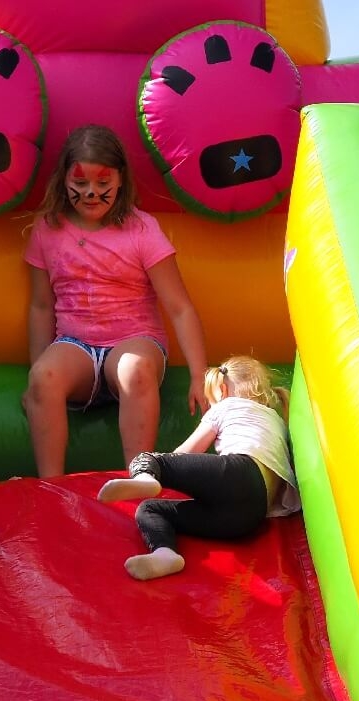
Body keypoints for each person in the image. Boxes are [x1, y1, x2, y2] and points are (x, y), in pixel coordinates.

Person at [23, 124, 209, 478]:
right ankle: (51, 485)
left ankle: (139, 478)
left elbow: (179, 307)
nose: (91, 192)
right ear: (64, 179)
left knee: (134, 370)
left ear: (121, 179)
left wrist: (199, 374)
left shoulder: (141, 229)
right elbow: (41, 306)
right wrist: (36, 374)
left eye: (103, 182)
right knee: (44, 378)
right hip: (74, 344)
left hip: (134, 340)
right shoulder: (48, 229)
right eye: (80, 183)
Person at [97, 355, 300, 581]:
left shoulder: (226, 406)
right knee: (151, 509)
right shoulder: (278, 420)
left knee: (150, 459)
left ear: (221, 390)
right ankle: (165, 555)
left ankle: (146, 477)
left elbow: (185, 453)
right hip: (251, 516)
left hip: (240, 472)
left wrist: (167, 470)